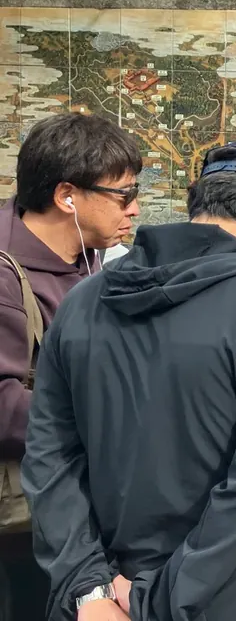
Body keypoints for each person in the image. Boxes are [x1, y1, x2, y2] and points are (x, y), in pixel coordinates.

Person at [21, 139, 236, 621]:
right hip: (230, 595)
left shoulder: (83, 301)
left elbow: (49, 456)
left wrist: (88, 589)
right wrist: (154, 601)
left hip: (103, 595)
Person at [0, 113, 141, 621]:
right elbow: (4, 407)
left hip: (72, 503)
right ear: (67, 196)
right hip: (21, 520)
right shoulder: (5, 274)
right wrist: (114, 413)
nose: (135, 208)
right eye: (123, 195)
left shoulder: (90, 254)